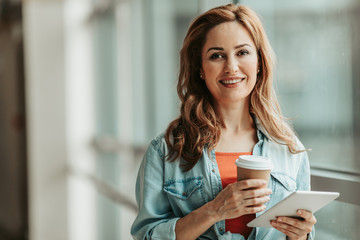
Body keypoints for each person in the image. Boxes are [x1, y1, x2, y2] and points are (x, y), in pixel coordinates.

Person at [131, 4, 316, 240]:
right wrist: (214, 210)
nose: (231, 67)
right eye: (217, 55)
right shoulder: (166, 150)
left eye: (242, 53)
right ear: (200, 68)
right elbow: (147, 236)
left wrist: (299, 235)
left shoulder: (290, 149)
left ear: (259, 63)